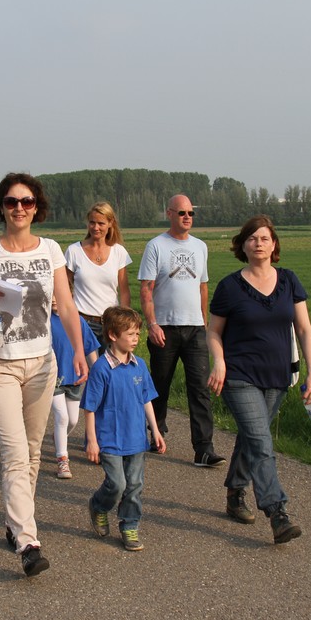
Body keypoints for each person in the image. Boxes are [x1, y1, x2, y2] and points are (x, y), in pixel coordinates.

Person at [0, 172, 87, 577]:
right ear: (1, 207)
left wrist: (79, 351)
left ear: (37, 207)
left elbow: (66, 305)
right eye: (12, 201)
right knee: (14, 453)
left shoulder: (50, 250)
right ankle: (28, 541)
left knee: (33, 452)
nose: (19, 208)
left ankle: (15, 522)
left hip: (42, 364)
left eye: (27, 201)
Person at [206, 215, 311, 544]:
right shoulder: (229, 286)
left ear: (274, 245)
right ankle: (277, 512)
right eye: (252, 238)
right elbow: (213, 331)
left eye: (264, 238)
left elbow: (304, 329)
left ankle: (235, 491)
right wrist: (219, 362)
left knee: (253, 437)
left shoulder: (289, 281)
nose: (258, 243)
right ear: (242, 245)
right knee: (261, 441)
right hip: (239, 375)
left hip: (277, 376)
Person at [138, 194, 226, 468]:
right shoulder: (156, 246)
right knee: (160, 385)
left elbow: (202, 286)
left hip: (195, 329)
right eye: (181, 213)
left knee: (200, 389)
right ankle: (156, 431)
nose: (187, 217)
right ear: (169, 214)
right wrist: (152, 324)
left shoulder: (200, 247)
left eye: (190, 213)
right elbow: (146, 289)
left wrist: (205, 323)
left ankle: (204, 449)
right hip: (164, 327)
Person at [83, 306, 166, 551]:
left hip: (136, 438)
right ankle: (99, 506)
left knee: (134, 485)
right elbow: (90, 407)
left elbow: (146, 399)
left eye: (137, 334)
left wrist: (155, 430)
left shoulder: (139, 365)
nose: (135, 339)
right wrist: (92, 441)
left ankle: (130, 525)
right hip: (109, 440)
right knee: (117, 484)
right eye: (130, 334)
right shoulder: (101, 369)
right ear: (112, 335)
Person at [64, 201, 132, 350]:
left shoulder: (119, 252)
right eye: (92, 222)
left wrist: (124, 322)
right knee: (83, 364)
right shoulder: (74, 251)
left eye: (101, 223)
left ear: (110, 223)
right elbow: (65, 289)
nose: (96, 227)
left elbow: (124, 292)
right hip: (82, 324)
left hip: (111, 324)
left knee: (110, 364)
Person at [49, 303, 101, 479]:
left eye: (58, 294)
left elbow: (89, 346)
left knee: (72, 420)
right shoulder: (44, 319)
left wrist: (97, 372)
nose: (54, 299)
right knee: (62, 417)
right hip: (53, 377)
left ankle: (59, 438)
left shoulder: (77, 320)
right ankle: (62, 460)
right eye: (52, 294)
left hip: (74, 377)